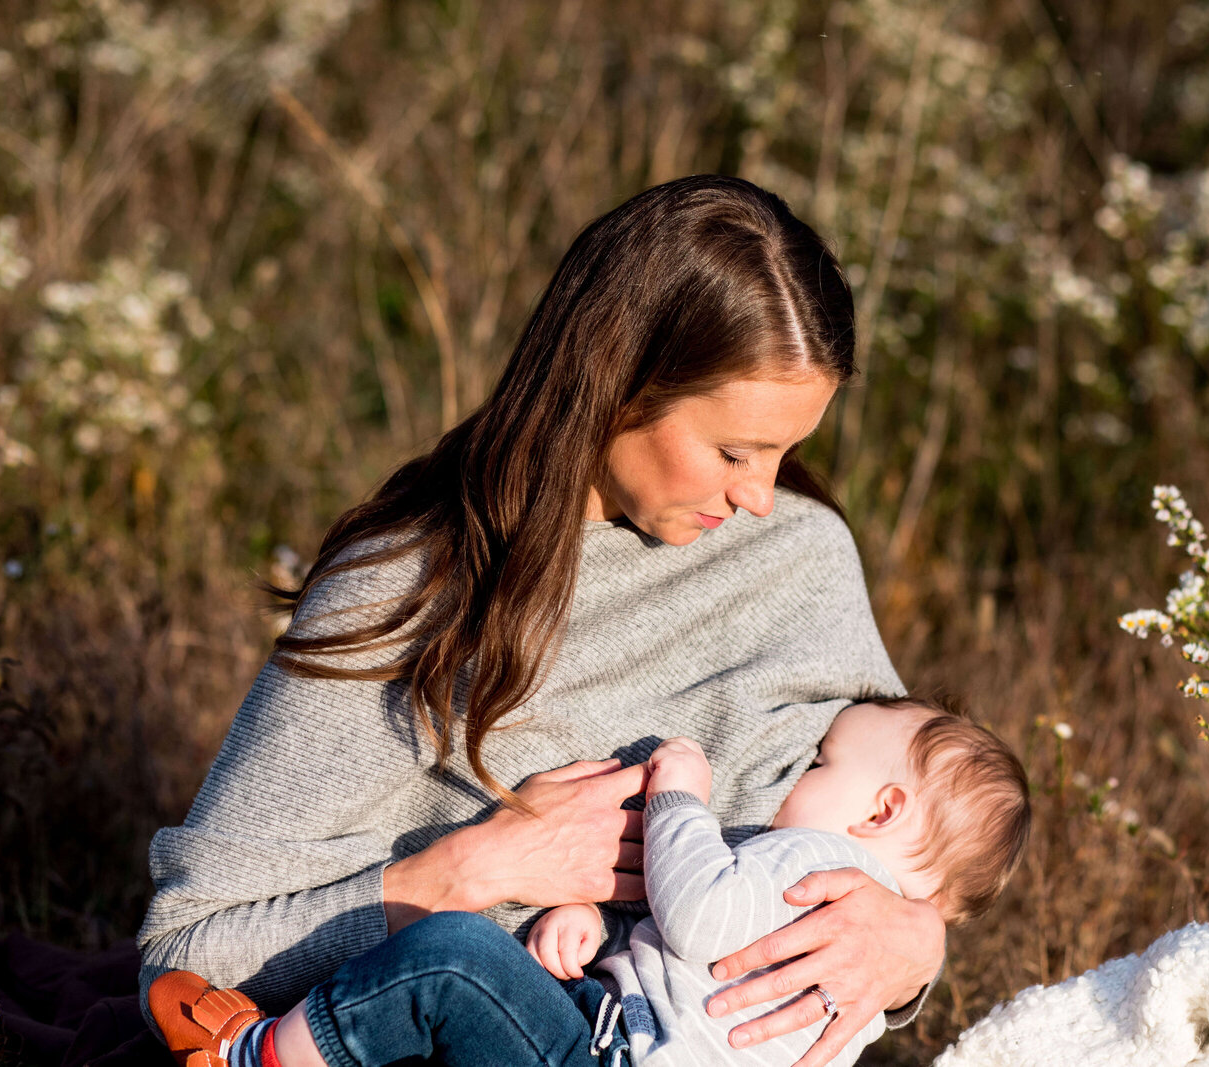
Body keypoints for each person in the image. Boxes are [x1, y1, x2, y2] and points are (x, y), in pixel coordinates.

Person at [137, 175, 947, 1067]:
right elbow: (187, 951)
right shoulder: (410, 591)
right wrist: (473, 872)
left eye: (787, 452)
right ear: (620, 381)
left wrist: (915, 942)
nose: (761, 495)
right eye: (732, 451)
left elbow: (922, 817)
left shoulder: (805, 558)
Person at [148, 698, 1031, 1067]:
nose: (801, 770)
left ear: (879, 811)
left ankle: (256, 1056)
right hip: (608, 1035)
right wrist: (587, 926)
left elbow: (703, 913)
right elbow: (701, 973)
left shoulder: (820, 871)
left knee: (452, 958)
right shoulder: (867, 965)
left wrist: (682, 791)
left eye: (821, 758)